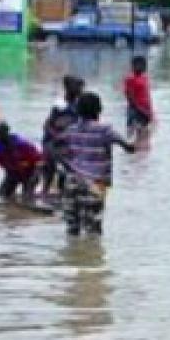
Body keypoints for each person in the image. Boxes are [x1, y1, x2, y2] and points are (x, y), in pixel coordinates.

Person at [55, 92, 136, 237]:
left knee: (72, 228)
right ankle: (91, 252)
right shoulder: (104, 130)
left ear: (78, 110)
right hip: (95, 184)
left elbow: (55, 146)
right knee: (93, 231)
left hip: (72, 181)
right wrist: (133, 142)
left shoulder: (71, 130)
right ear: (99, 110)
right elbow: (127, 146)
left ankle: (74, 251)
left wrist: (66, 165)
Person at [41, 75, 85, 197]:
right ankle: (46, 191)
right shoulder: (60, 105)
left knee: (70, 170)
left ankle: (62, 191)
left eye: (81, 88)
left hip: (68, 142)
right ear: (68, 88)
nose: (81, 90)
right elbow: (47, 125)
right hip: (54, 142)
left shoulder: (80, 105)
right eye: (78, 87)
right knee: (51, 168)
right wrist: (55, 135)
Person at [0, 121, 43, 201]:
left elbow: (39, 160)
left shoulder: (23, 144)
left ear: (6, 131)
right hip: (12, 175)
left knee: (27, 198)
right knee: (1, 195)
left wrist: (35, 175)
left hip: (30, 174)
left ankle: (29, 195)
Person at [123, 55, 155, 146]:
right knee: (133, 134)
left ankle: (141, 153)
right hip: (136, 111)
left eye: (144, 65)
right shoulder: (130, 79)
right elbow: (129, 95)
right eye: (139, 65)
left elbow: (147, 95)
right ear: (133, 66)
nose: (143, 67)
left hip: (145, 110)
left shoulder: (145, 78)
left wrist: (150, 112)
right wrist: (139, 109)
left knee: (145, 136)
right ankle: (132, 151)